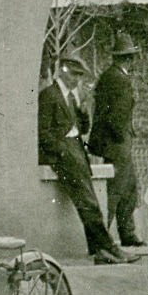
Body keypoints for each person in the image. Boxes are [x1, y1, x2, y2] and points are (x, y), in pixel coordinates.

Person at [39, 51, 123, 265]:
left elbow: (82, 128)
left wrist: (83, 110)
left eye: (79, 75)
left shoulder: (72, 97)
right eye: (73, 74)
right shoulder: (49, 95)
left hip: (76, 150)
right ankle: (109, 248)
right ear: (62, 71)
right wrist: (62, 151)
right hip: (64, 154)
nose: (77, 79)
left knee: (89, 201)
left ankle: (100, 253)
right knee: (88, 202)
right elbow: (43, 133)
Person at [88, 32, 144, 249]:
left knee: (129, 188)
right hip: (118, 144)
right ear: (127, 58)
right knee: (115, 191)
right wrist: (122, 138)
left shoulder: (109, 76)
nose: (131, 61)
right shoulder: (120, 80)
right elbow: (117, 117)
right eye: (130, 57)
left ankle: (127, 234)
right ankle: (102, 241)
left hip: (113, 143)